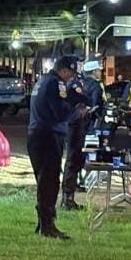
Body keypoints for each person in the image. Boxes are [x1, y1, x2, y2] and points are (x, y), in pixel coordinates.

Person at [28, 56, 89, 239]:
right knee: (50, 181)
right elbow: (60, 112)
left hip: (37, 134)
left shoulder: (43, 80)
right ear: (64, 70)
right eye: (71, 73)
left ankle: (43, 223)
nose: (71, 78)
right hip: (49, 136)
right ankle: (47, 225)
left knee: (44, 181)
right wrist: (77, 110)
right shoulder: (56, 83)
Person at [60, 56, 92, 211]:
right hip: (73, 125)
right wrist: (85, 105)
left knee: (76, 160)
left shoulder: (75, 81)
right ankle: (67, 198)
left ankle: (69, 197)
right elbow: (84, 98)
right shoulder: (73, 83)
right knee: (73, 161)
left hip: (76, 125)